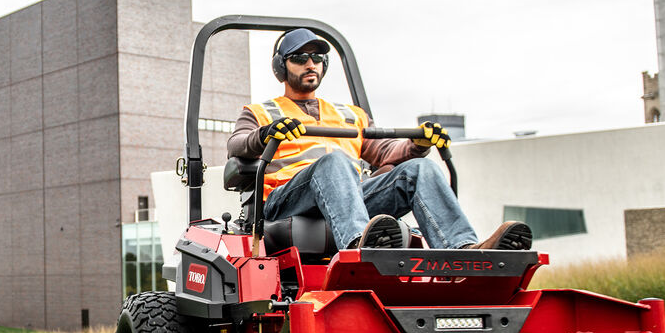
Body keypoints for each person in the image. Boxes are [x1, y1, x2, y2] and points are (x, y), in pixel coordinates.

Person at [227, 28, 532, 250]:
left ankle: (464, 251)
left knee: (419, 169)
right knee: (334, 162)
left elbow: (383, 150)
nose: (311, 64)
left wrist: (418, 146)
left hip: (349, 197)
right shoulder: (261, 111)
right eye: (301, 57)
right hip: (288, 201)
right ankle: (360, 249)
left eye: (318, 57)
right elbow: (237, 144)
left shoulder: (350, 114)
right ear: (281, 66)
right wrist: (265, 134)